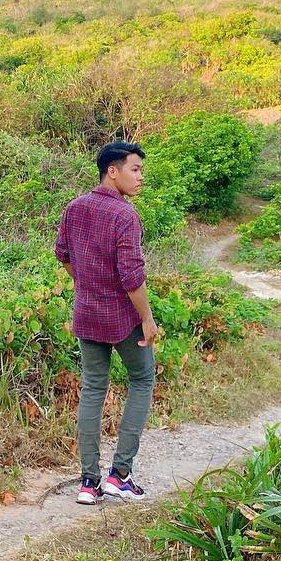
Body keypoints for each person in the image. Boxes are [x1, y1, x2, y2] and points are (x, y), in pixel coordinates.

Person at [54, 141, 160, 505]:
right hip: (121, 317)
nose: (140, 177)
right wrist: (147, 318)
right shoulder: (124, 215)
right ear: (111, 171)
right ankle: (121, 474)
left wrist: (86, 283)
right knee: (143, 379)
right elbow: (131, 275)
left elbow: (63, 254)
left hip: (86, 312)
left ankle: (88, 482)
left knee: (93, 389)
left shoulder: (75, 207)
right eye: (135, 169)